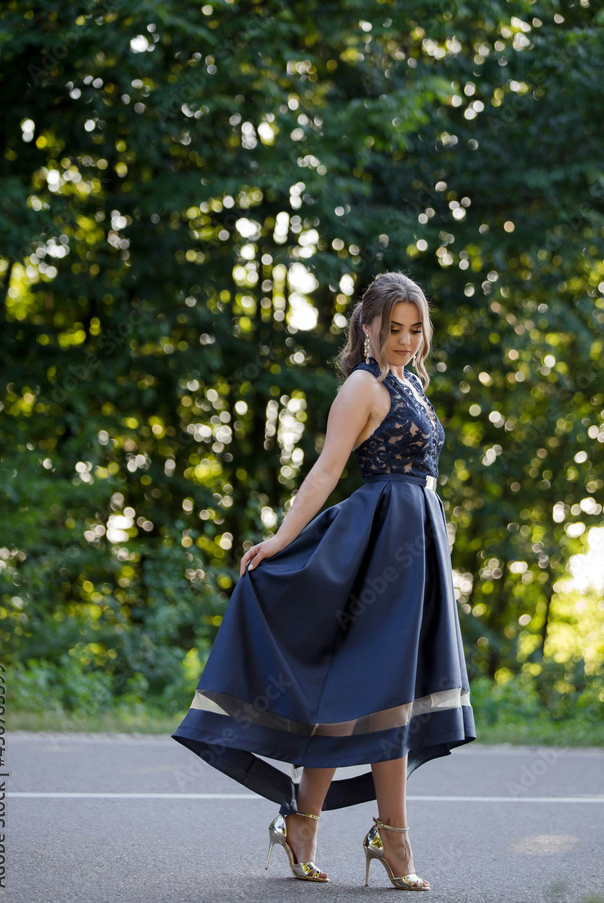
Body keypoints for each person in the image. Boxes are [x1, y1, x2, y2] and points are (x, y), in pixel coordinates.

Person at [171, 271, 476, 889]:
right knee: (367, 692)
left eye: (415, 329)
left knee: (382, 693)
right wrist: (282, 540)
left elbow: (424, 478)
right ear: (367, 328)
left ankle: (339, 827)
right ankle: (353, 830)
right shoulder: (361, 387)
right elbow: (326, 470)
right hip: (374, 546)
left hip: (415, 548)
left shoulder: (412, 384)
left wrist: (440, 545)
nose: (405, 340)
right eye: (393, 329)